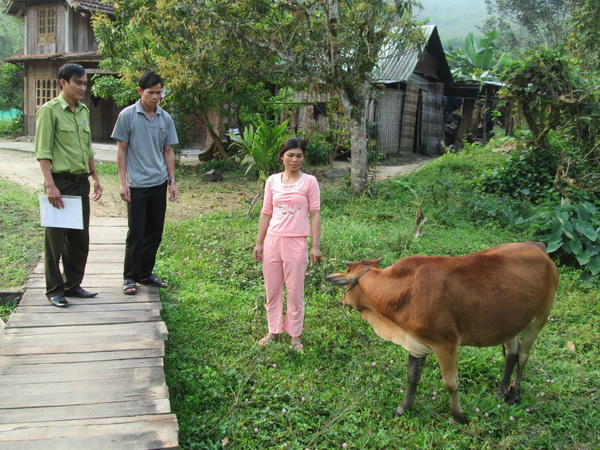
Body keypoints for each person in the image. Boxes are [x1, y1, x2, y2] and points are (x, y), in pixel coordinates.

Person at [35, 63, 103, 308]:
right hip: (60, 183)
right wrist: (50, 185)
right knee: (56, 240)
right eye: (79, 83)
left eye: (85, 83)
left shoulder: (83, 110)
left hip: (80, 182)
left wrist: (95, 177)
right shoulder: (50, 111)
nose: (83, 87)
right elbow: (43, 151)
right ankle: (55, 290)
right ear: (63, 83)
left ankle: (73, 284)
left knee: (79, 238)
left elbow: (87, 148)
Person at [112, 71, 179, 295]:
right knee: (136, 232)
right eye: (151, 93)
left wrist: (172, 181)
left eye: (159, 92)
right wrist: (123, 183)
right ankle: (130, 276)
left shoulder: (165, 118)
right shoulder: (127, 116)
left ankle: (145, 273)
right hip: (137, 184)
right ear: (140, 91)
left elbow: (168, 151)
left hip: (158, 183)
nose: (156, 97)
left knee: (154, 232)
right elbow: (121, 151)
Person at [253, 137, 321, 351]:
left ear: (303, 158)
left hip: (297, 242)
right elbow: (266, 213)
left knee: (295, 291)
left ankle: (295, 336)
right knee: (272, 290)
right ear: (281, 157)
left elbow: (315, 215)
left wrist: (315, 246)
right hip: (273, 240)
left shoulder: (310, 182)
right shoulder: (272, 181)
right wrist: (259, 243)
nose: (295, 159)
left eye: (299, 155)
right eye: (290, 155)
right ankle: (273, 330)